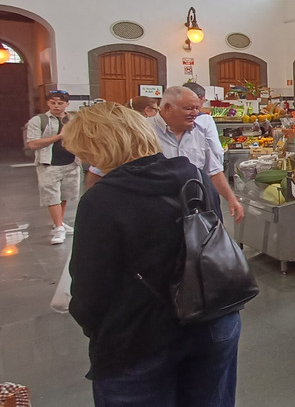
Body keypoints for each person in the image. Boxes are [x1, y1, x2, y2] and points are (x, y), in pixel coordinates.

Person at [62, 102, 241, 406]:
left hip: (139, 338)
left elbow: (90, 288)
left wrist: (97, 329)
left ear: (99, 147)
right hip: (213, 321)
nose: (84, 160)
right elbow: (213, 243)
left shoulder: (101, 200)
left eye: (84, 151)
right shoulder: (194, 176)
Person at [152, 86, 244, 222]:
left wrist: (231, 198)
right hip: (157, 211)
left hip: (193, 210)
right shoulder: (144, 132)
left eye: (197, 108)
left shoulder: (199, 132)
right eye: (189, 108)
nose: (195, 113)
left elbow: (213, 171)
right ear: (167, 107)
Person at [24, 89, 80, 245]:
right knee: (52, 196)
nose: (56, 106)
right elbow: (33, 144)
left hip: (71, 162)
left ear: (67, 104)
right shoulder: (38, 120)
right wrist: (59, 136)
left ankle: (59, 223)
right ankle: (59, 228)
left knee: (65, 195)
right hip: (49, 164)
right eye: (53, 102)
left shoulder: (73, 120)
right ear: (48, 103)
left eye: (60, 103)